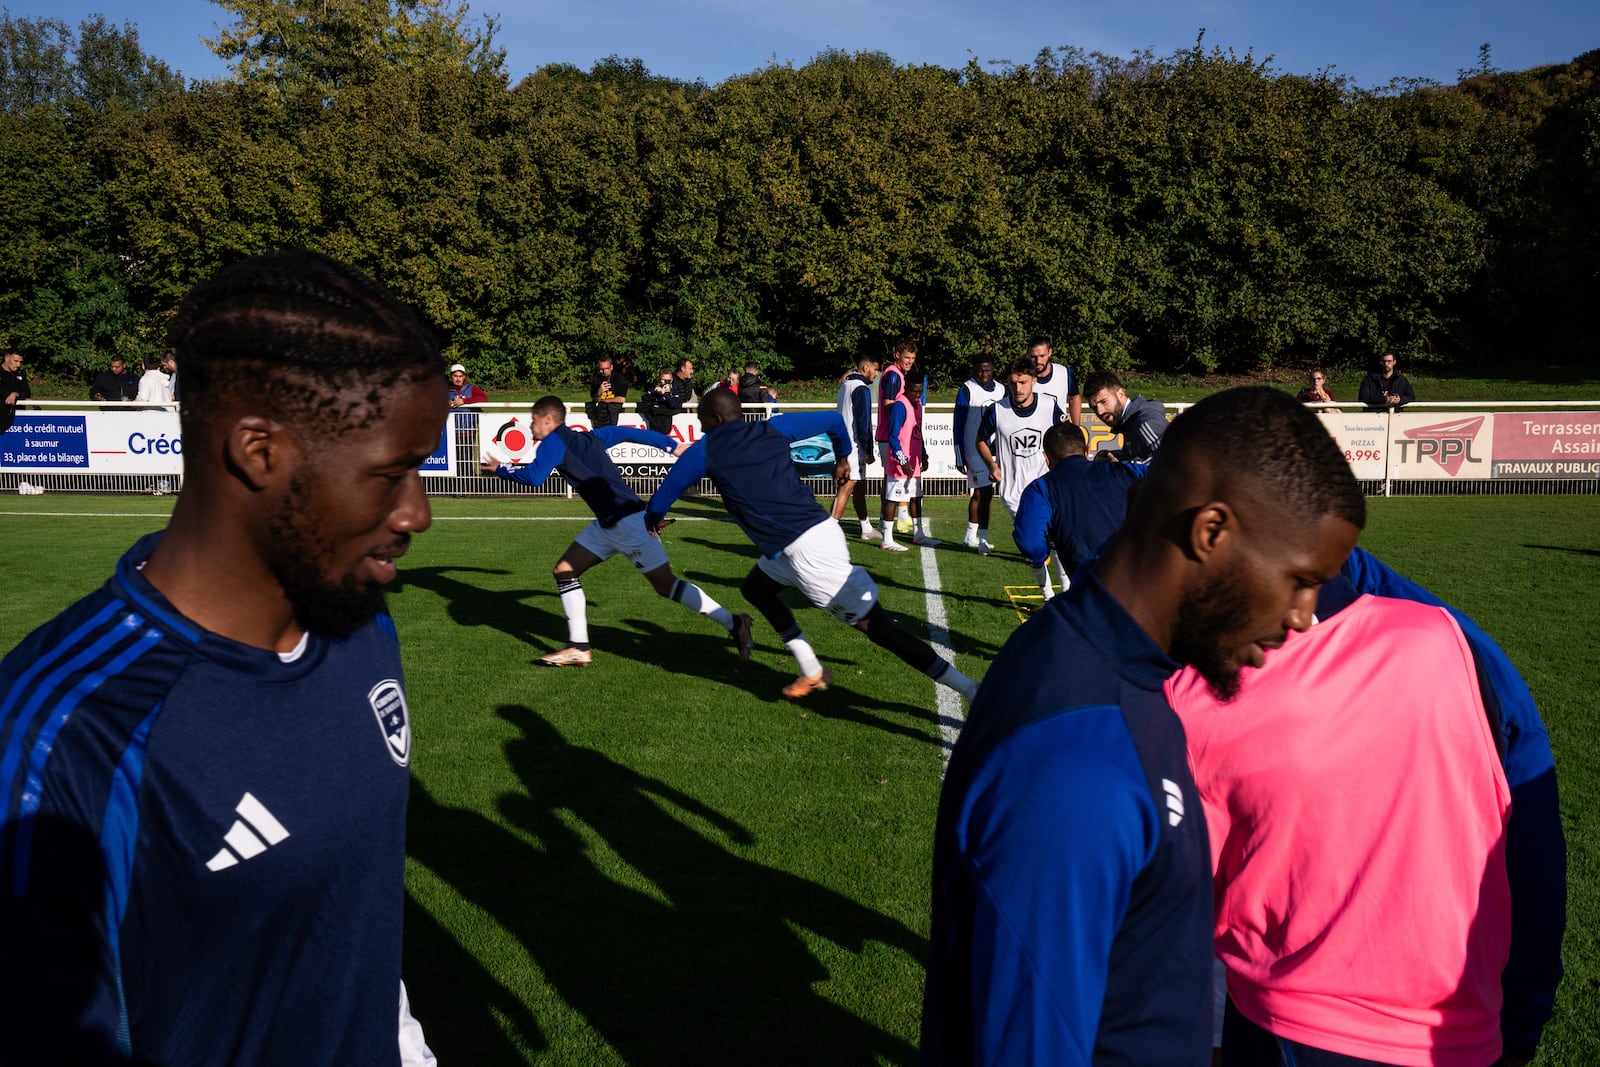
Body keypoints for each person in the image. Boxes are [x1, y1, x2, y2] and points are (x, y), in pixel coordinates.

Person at [0, 251, 443, 1064]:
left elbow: (348, 916)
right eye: (392, 474)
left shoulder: (357, 617)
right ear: (259, 451)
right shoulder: (66, 738)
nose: (418, 513)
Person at [923, 386, 1366, 1066]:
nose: (1304, 614)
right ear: (1210, 532)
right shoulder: (1076, 766)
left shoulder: (1116, 666)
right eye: (1300, 579)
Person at [1168, 549, 1566, 1067]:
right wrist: (1521, 1023)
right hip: (1453, 1031)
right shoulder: (1453, 642)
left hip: (1289, 1027)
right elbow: (1532, 840)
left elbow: (1172, 902)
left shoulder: (1191, 688)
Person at [645, 389, 978, 703]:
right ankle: (811, 669)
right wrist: (843, 457)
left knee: (878, 628)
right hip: (808, 537)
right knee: (757, 589)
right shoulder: (771, 428)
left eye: (702, 420)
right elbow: (834, 421)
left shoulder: (707, 449)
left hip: (807, 552)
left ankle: (971, 690)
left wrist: (652, 521)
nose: (700, 426)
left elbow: (661, 499)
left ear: (715, 420)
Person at [482, 395, 751, 667]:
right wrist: (670, 445)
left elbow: (534, 477)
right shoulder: (589, 438)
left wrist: (500, 469)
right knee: (564, 570)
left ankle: (734, 622)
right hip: (609, 522)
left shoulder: (553, 441)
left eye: (534, 421)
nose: (531, 426)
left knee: (665, 585)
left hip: (627, 522)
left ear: (548, 420)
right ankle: (579, 647)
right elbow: (626, 433)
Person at [1012, 421, 1145, 601]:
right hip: (1152, 583)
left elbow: (1030, 543)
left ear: (1046, 458)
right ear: (1086, 450)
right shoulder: (1128, 470)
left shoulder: (1040, 488)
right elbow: (1169, 480)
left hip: (1098, 592)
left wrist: (1044, 552)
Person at [973, 356, 1068, 518]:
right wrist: (992, 465)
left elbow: (1066, 435)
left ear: (1034, 381)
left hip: (1045, 486)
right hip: (1013, 492)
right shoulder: (996, 410)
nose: (1018, 389)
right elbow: (980, 441)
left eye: (1023, 382)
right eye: (1013, 383)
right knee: (1032, 540)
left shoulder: (1049, 405)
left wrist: (1058, 460)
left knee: (1043, 539)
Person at [952, 357, 1003, 555]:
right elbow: (958, 423)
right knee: (985, 493)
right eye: (980, 370)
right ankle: (982, 540)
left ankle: (970, 537)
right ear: (974, 369)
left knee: (982, 494)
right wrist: (959, 454)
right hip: (973, 450)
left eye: (988, 370)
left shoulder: (1001, 389)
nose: (984, 374)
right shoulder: (967, 389)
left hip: (994, 451)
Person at [881, 379, 939, 550]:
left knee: (916, 496)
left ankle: (918, 534)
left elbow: (917, 432)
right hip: (900, 463)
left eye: (920, 391)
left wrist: (923, 454)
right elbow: (892, 436)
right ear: (906, 388)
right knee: (893, 498)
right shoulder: (900, 406)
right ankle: (886, 539)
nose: (917, 394)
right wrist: (902, 459)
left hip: (914, 461)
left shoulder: (918, 404)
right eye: (914, 391)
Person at [830, 354, 882, 541]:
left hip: (843, 442)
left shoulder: (845, 385)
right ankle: (828, 532)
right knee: (847, 487)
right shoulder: (861, 389)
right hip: (854, 445)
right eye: (875, 369)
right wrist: (868, 449)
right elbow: (863, 421)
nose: (876, 374)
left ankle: (866, 527)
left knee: (859, 486)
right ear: (865, 368)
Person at [1083, 369, 1167, 463]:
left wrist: (1124, 467)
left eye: (1104, 401)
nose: (1100, 411)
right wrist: (1109, 456)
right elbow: (1139, 456)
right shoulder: (1128, 422)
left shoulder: (1145, 423)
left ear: (1120, 393)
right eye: (1094, 407)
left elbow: (1171, 458)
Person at [1027, 334, 1082, 426]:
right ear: (1028, 354)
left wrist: (1076, 429)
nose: (1038, 361)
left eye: (1042, 356)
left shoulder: (1065, 372)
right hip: (1033, 433)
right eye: (1034, 357)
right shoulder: (1022, 378)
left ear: (1049, 352)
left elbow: (1074, 398)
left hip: (1058, 433)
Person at [638, 368, 685, 435]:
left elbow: (675, 404)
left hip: (666, 417)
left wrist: (666, 394)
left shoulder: (674, 391)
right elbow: (644, 398)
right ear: (659, 380)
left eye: (668, 380)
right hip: (655, 417)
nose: (666, 382)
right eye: (664, 380)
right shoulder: (655, 389)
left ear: (671, 380)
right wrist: (654, 391)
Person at [586, 356, 629, 427]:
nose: (604, 371)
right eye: (602, 369)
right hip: (600, 412)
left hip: (614, 411)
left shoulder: (619, 379)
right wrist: (599, 391)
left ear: (611, 367)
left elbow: (621, 399)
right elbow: (595, 399)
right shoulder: (596, 379)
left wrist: (605, 400)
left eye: (607, 368)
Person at [1, 349, 27, 434]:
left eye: (20, 362)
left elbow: (26, 393)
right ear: (7, 358)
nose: (18, 365)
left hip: (17, 421)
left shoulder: (20, 375)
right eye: (15, 361)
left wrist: (15, 394)